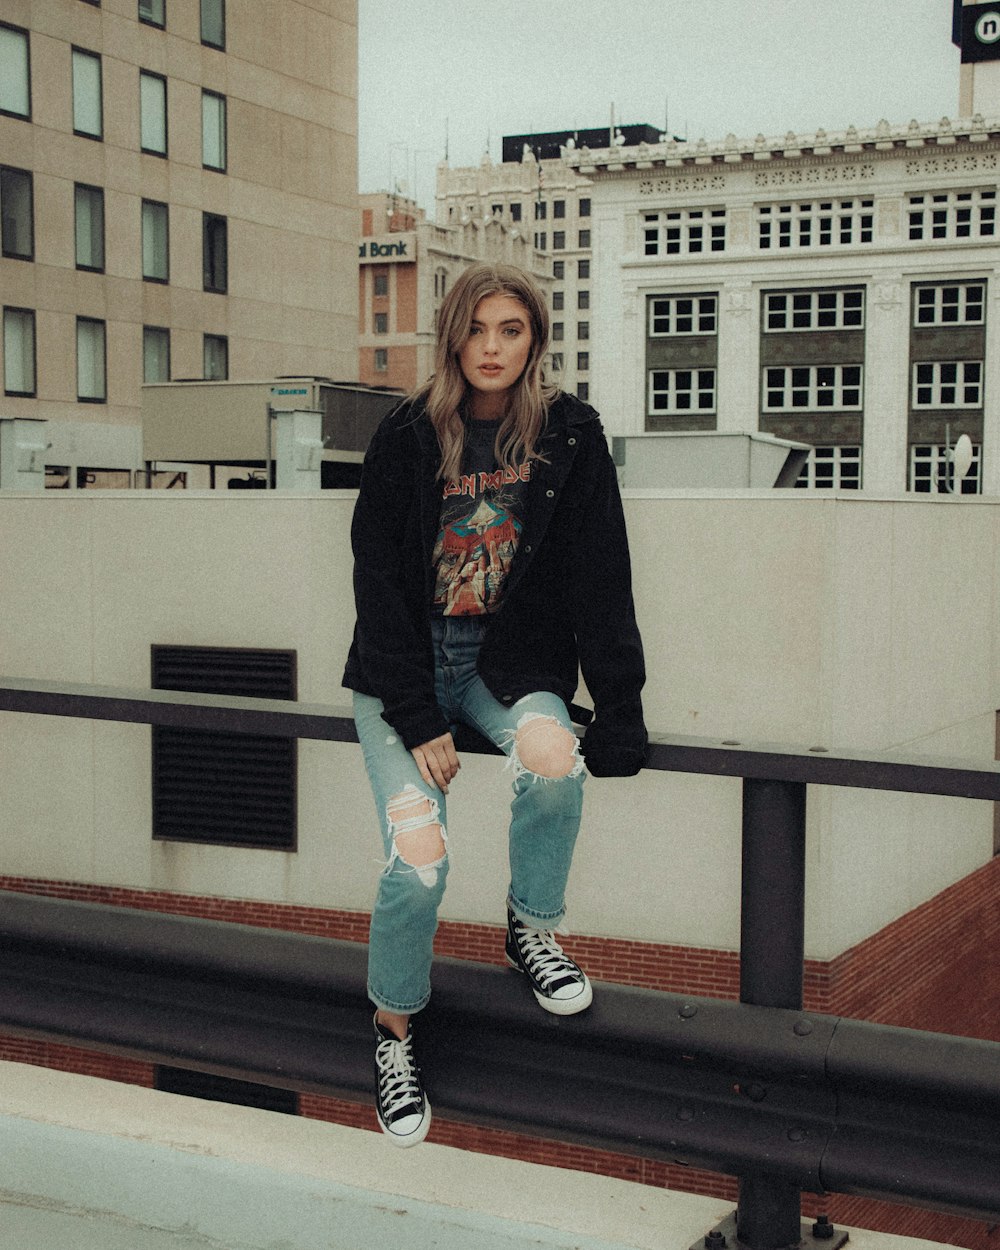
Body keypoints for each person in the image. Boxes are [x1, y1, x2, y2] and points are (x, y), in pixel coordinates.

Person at [343, 261, 647, 1147]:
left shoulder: (570, 436)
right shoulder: (404, 435)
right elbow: (376, 583)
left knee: (557, 765)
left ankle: (532, 928)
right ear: (451, 336)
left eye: (511, 329)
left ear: (535, 341)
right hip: (400, 671)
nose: (492, 347)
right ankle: (393, 1032)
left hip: (502, 663)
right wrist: (417, 715)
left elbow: (601, 576)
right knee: (420, 858)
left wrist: (619, 706)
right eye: (477, 329)